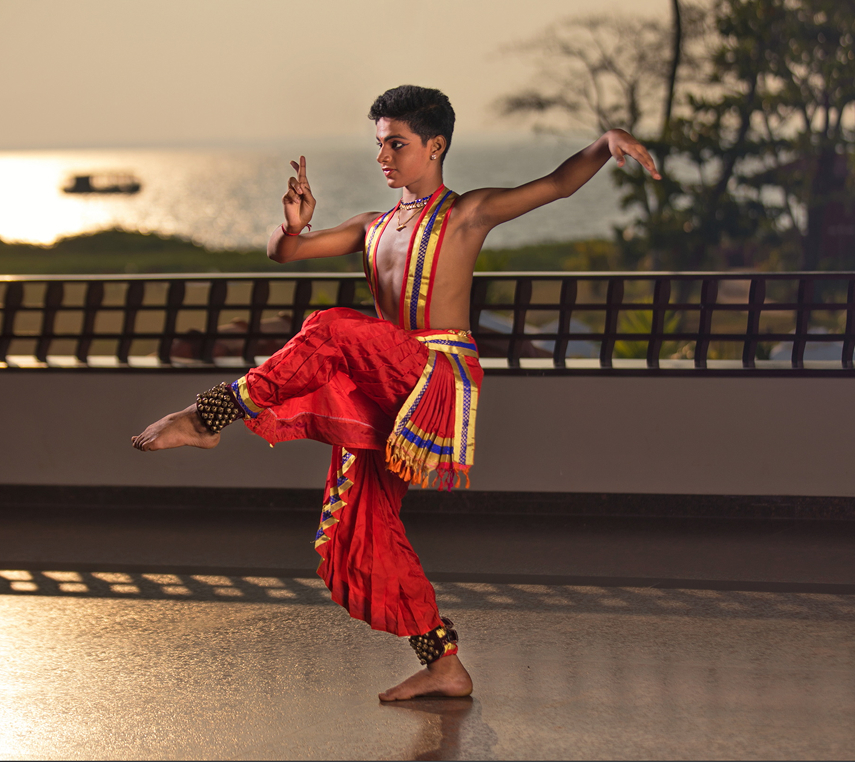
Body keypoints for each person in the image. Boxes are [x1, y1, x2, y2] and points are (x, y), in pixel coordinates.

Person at [131, 85, 660, 701]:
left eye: (396, 144)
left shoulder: (469, 212)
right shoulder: (373, 225)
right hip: (384, 384)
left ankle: (211, 414)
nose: (383, 156)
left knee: (330, 326)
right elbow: (287, 254)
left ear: (435, 146)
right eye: (379, 144)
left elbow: (557, 184)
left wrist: (603, 143)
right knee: (362, 531)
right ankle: (443, 663)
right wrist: (292, 225)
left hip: (433, 377)